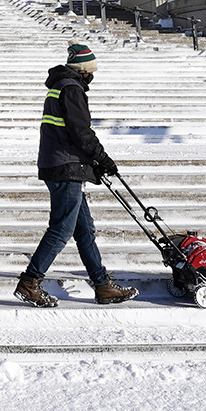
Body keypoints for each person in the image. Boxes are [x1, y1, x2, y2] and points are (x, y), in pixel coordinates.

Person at [15, 42, 135, 307]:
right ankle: (29, 282)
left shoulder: (61, 86)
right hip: (66, 167)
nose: (93, 76)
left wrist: (94, 162)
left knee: (84, 230)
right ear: (83, 71)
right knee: (61, 229)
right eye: (91, 71)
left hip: (63, 164)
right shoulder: (71, 89)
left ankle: (102, 285)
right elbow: (80, 132)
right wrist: (102, 159)